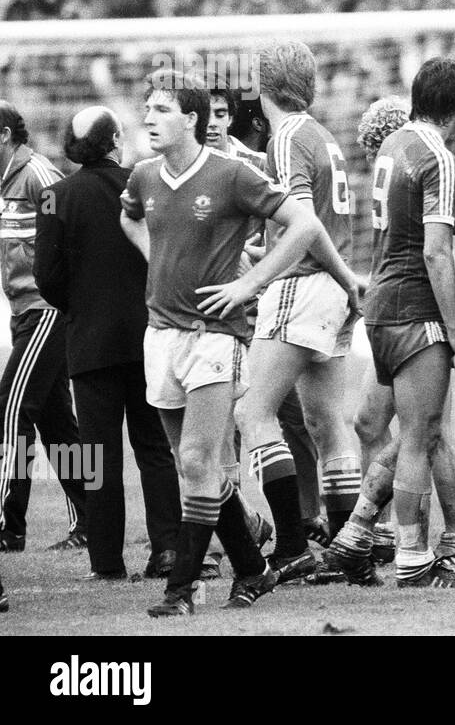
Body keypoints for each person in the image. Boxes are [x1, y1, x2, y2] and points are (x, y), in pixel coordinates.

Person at [120, 68, 335, 616]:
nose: (148, 117)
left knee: (196, 459)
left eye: (162, 109)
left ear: (191, 119)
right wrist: (157, 260)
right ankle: (254, 567)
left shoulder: (232, 174)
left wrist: (250, 283)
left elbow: (305, 225)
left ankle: (182, 589)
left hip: (215, 338)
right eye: (147, 107)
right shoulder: (144, 176)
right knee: (193, 466)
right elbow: (130, 219)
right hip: (160, 335)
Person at [318, 59, 455, 590]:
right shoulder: (438, 152)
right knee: (420, 434)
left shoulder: (394, 144)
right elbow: (437, 251)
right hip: (416, 306)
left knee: (412, 430)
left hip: (383, 301)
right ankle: (413, 558)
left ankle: (365, 530)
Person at [232, 40, 363, 584]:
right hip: (331, 287)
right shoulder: (322, 134)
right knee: (325, 422)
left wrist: (255, 277)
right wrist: (346, 279)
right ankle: (344, 547)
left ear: (263, 85)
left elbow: (305, 225)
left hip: (304, 286)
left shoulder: (283, 137)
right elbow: (316, 228)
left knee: (252, 413)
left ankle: (289, 545)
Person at [33, 106, 182, 580]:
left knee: (96, 456)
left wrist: (77, 305)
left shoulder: (53, 197)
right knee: (154, 446)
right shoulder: (146, 182)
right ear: (115, 140)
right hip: (147, 335)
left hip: (90, 342)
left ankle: (106, 561)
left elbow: (45, 277)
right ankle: (167, 551)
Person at [207, 81, 315, 546]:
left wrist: (257, 258)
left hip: (260, 311)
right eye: (204, 114)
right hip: (209, 316)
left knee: (291, 417)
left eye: (219, 113)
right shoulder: (171, 172)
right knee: (219, 426)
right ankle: (239, 526)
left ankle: (309, 517)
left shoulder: (256, 166)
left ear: (231, 117)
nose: (211, 123)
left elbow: (290, 227)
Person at [0, 101, 87, 553]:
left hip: (46, 310)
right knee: (56, 424)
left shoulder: (38, 174)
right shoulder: (5, 179)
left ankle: (7, 526)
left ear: (4, 136)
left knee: (9, 408)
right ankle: (89, 519)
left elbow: (73, 222)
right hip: (23, 312)